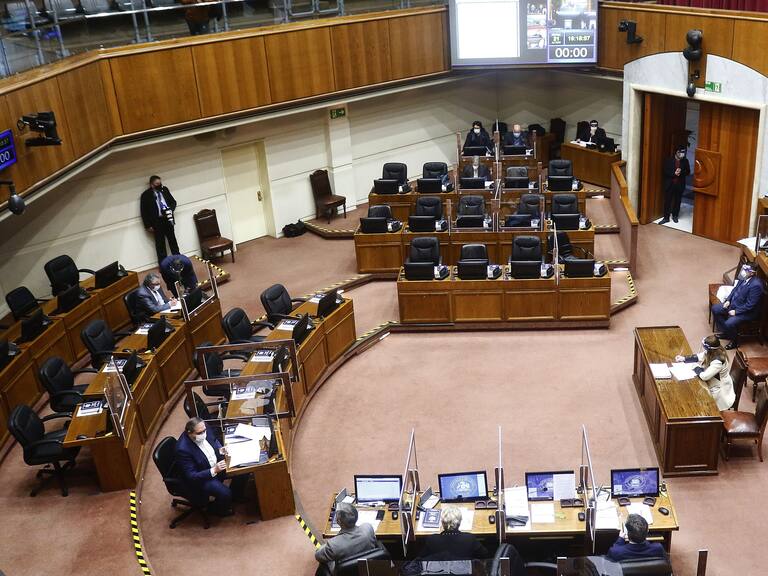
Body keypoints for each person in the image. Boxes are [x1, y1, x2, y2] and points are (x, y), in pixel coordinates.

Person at [175, 417, 242, 517]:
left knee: (242, 469)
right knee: (225, 493)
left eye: (204, 431)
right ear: (189, 433)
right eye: (199, 433)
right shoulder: (183, 450)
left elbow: (214, 441)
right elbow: (191, 476)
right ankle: (216, 509)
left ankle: (236, 496)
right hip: (202, 477)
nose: (203, 434)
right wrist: (214, 470)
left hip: (215, 463)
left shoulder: (203, 427)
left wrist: (220, 449)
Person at [314, 502, 379, 575]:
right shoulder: (368, 528)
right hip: (366, 568)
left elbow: (318, 555)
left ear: (338, 521)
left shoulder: (333, 545)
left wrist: (327, 545)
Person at [710, 264, 763, 350]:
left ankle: (734, 341)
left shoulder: (756, 285)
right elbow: (734, 289)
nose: (743, 271)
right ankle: (727, 333)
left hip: (746, 312)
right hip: (734, 303)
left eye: (745, 270)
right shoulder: (744, 277)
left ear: (752, 273)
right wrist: (728, 300)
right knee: (715, 309)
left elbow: (750, 305)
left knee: (729, 323)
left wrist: (736, 311)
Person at [675, 335, 736, 409]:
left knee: (699, 402)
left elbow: (704, 376)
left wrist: (695, 367)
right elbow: (700, 356)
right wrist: (684, 358)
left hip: (718, 388)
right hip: (712, 380)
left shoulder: (718, 361)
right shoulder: (713, 351)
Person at [419, 506, 488, 561]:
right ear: (460, 522)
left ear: (442, 522)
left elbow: (421, 558)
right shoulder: (469, 538)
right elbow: (484, 555)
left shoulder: (432, 539)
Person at [140, 175, 179, 266]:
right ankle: (163, 265)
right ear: (152, 185)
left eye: (160, 183)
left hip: (168, 219)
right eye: (157, 184)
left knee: (172, 240)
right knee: (160, 244)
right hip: (157, 222)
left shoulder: (164, 190)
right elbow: (143, 212)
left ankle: (178, 261)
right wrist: (147, 225)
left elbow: (173, 202)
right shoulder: (145, 195)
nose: (159, 185)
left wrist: (170, 210)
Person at [660, 145, 691, 224]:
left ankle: (675, 216)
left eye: (684, 152)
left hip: (680, 184)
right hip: (670, 184)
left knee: (677, 201)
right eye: (681, 152)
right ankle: (666, 217)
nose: (683, 154)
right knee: (667, 201)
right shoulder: (669, 160)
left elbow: (688, 172)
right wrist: (674, 173)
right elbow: (665, 171)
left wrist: (681, 172)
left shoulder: (685, 161)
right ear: (677, 152)